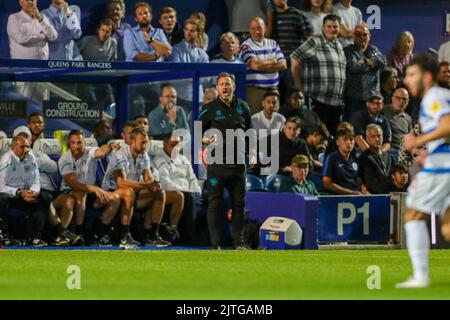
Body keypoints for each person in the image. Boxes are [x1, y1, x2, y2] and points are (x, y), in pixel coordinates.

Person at [396, 55, 450, 288]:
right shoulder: (440, 96)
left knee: (412, 216)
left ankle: (420, 276)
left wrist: (418, 140)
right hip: (442, 161)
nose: (407, 79)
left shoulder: (434, 97)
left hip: (442, 168)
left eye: (411, 74)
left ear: (426, 77)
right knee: (448, 225)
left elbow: (448, 126)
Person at [199, 72, 253, 250]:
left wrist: (252, 153)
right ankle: (216, 244)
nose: (225, 87)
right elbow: (197, 132)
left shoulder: (244, 108)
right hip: (217, 166)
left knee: (239, 204)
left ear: (234, 87)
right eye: (221, 84)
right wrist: (203, 140)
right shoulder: (209, 108)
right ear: (217, 88)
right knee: (214, 202)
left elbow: (249, 134)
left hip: (238, 166)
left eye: (227, 84)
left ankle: (239, 243)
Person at [102, 125, 170, 248]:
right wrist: (147, 185)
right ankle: (124, 236)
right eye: (142, 142)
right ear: (132, 142)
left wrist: (154, 185)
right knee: (129, 192)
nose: (145, 146)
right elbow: (121, 182)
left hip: (134, 190)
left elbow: (148, 177)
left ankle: (152, 235)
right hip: (112, 191)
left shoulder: (143, 155)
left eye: (146, 142)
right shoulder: (120, 154)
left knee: (160, 193)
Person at [58, 129, 121, 245]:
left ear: (85, 143)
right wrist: (95, 188)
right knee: (80, 194)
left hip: (90, 192)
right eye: (73, 143)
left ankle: (99, 234)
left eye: (79, 142)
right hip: (70, 192)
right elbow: (73, 184)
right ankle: (80, 232)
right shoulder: (64, 159)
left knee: (115, 199)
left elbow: (102, 151)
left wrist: (110, 146)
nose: (76, 146)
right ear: (69, 144)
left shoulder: (90, 152)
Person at [291, 14, 346, 136]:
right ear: (323, 28)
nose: (332, 29)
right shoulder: (315, 41)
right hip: (318, 99)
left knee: (332, 137)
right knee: (317, 136)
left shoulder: (339, 45)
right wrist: (298, 86)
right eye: (329, 26)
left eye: (335, 27)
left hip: (336, 102)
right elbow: (295, 57)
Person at [153, 134, 202, 245]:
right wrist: (188, 192)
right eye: (172, 145)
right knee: (188, 198)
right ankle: (190, 239)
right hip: (171, 193)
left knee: (212, 197)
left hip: (188, 192)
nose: (176, 148)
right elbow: (165, 182)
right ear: (165, 144)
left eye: (178, 145)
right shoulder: (159, 159)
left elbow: (192, 178)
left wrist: (196, 191)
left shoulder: (183, 159)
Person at [0, 135, 49, 246]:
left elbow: (35, 181)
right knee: (1, 198)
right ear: (13, 148)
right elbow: (0, 186)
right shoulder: (6, 159)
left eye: (27, 146)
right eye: (22, 147)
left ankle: (36, 236)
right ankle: (4, 235)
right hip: (10, 197)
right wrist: (19, 192)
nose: (26, 150)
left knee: (46, 197)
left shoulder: (31, 157)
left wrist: (33, 192)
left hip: (25, 195)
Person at [240, 17, 287, 115]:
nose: (257, 31)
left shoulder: (273, 43)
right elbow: (255, 66)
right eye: (253, 29)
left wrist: (262, 64)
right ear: (249, 30)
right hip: (255, 92)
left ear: (265, 28)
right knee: (254, 122)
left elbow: (283, 65)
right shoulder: (246, 46)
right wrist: (273, 61)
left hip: (273, 90)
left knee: (273, 123)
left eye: (259, 28)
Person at [344, 23, 386, 120]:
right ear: (353, 36)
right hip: (354, 98)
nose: (362, 37)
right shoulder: (348, 50)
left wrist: (364, 62)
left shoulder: (374, 49)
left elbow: (383, 63)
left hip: (372, 97)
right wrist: (371, 64)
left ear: (369, 36)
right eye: (358, 35)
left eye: (364, 34)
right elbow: (353, 66)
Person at [272, 0, 312, 98]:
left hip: (292, 64)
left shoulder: (296, 13)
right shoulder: (271, 16)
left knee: (294, 95)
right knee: (276, 97)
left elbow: (308, 36)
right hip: (275, 64)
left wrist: (298, 56)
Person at [322, 123, 362, 195]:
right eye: (345, 139)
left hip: (357, 195)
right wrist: (350, 193)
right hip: (341, 198)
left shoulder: (355, 158)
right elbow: (327, 183)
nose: (349, 142)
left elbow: (359, 181)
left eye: (351, 139)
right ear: (337, 142)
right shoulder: (331, 158)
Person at [357, 124, 393, 194]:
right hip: (372, 198)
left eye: (379, 136)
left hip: (389, 197)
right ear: (367, 138)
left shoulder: (389, 157)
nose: (377, 139)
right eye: (373, 136)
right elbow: (359, 178)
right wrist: (364, 190)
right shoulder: (363, 157)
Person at [384, 88, 412, 158]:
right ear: (392, 98)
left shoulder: (408, 118)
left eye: (404, 99)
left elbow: (410, 137)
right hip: (389, 149)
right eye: (398, 98)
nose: (401, 101)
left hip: (404, 151)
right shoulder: (383, 111)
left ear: (408, 102)